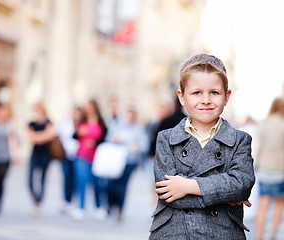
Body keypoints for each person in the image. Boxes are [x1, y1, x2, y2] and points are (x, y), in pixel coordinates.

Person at [149, 54, 255, 239]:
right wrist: (224, 195)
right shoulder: (166, 138)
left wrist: (187, 185)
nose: (206, 100)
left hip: (223, 233)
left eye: (214, 92)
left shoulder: (240, 140)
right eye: (196, 92)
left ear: (226, 96)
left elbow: (242, 185)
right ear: (182, 97)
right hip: (174, 233)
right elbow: (167, 193)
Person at [106, 108, 148, 221]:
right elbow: (108, 138)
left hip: (130, 161)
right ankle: (111, 204)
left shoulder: (138, 130)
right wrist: (114, 140)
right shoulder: (117, 126)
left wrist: (138, 148)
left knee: (123, 186)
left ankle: (120, 208)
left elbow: (145, 144)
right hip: (116, 160)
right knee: (112, 185)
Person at [71, 99, 107, 221]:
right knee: (81, 181)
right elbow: (74, 136)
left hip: (96, 157)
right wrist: (78, 131)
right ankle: (80, 207)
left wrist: (94, 142)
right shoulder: (82, 121)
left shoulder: (101, 122)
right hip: (82, 156)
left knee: (97, 183)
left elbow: (105, 138)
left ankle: (98, 207)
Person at [254, 98, 284, 240]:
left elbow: (257, 147)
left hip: (264, 169)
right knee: (279, 204)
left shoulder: (263, 124)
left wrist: (255, 165)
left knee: (263, 205)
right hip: (280, 170)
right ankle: (272, 235)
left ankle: (259, 237)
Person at [27, 102, 56, 215]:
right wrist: (43, 136)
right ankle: (35, 198)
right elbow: (31, 138)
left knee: (43, 179)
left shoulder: (49, 122)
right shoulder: (31, 123)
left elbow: (50, 135)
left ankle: (39, 201)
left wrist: (38, 136)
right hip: (35, 153)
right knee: (30, 179)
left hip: (46, 154)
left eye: (38, 109)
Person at [57, 107, 83, 214]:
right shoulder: (65, 124)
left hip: (78, 156)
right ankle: (66, 201)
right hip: (65, 155)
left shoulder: (82, 125)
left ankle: (75, 200)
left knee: (76, 179)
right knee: (67, 178)